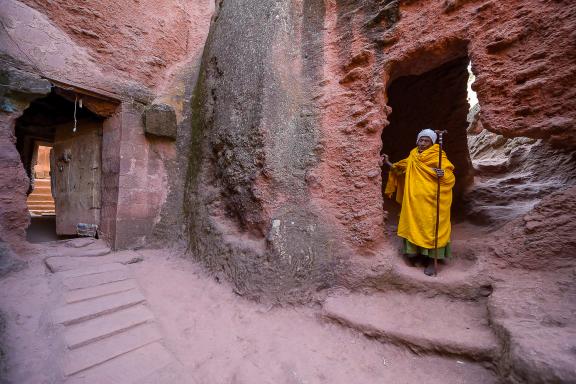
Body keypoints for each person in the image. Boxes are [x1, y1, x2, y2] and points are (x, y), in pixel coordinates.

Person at [380, 129, 455, 276]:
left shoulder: (439, 156)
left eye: (426, 141)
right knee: (415, 225)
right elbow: (400, 169)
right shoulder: (413, 155)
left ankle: (432, 260)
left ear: (432, 143)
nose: (423, 143)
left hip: (433, 201)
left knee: (432, 228)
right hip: (414, 201)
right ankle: (417, 254)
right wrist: (388, 162)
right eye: (421, 140)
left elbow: (450, 177)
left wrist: (443, 174)